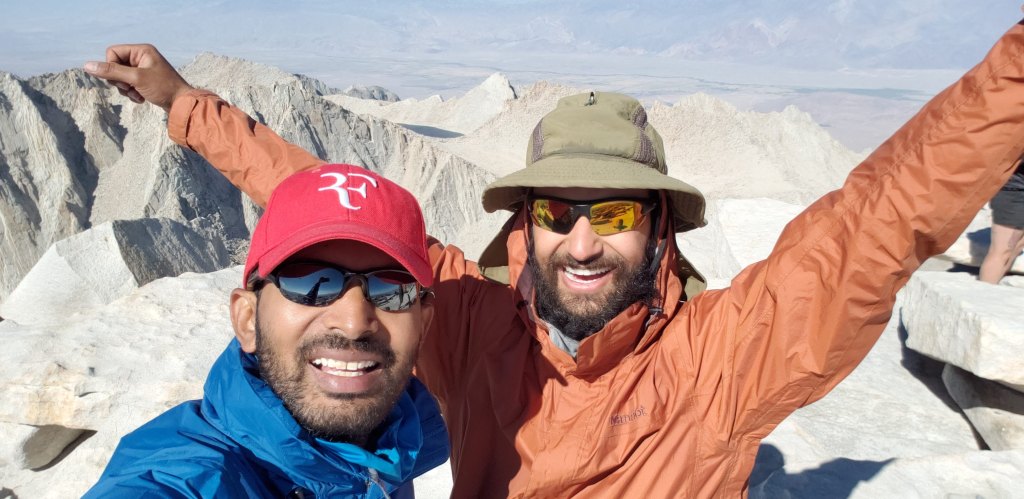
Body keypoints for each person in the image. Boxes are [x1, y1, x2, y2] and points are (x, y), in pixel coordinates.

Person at [85, 22, 1024, 497]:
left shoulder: (729, 355)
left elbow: (881, 217)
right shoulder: (467, 319)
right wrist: (185, 105)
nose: (581, 241)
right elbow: (330, 209)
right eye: (557, 212)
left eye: (611, 212)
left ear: (659, 229)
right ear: (522, 228)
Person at [83, 163, 449, 497]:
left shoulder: (390, 449)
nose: (353, 324)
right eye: (311, 283)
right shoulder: (187, 480)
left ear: (423, 326)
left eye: (391, 291)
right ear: (247, 320)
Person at [979, 160, 1024, 283]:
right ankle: (984, 291)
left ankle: (994, 285)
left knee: (1018, 245)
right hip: (1015, 191)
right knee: (1003, 250)